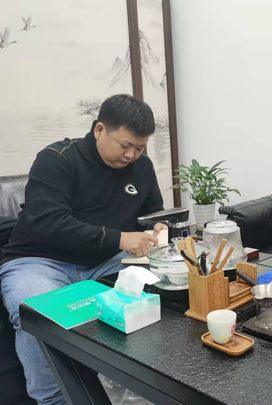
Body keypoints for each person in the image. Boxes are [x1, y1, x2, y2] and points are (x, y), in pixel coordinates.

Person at [0, 94, 166, 404]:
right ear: (99, 129)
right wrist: (120, 238)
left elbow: (151, 214)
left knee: (160, 287)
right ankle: (55, 398)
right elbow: (49, 223)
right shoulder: (57, 159)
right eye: (125, 145)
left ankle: (141, 383)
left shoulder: (141, 167)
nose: (132, 155)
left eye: (140, 148)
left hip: (103, 260)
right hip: (39, 260)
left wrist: (157, 228)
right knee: (36, 311)